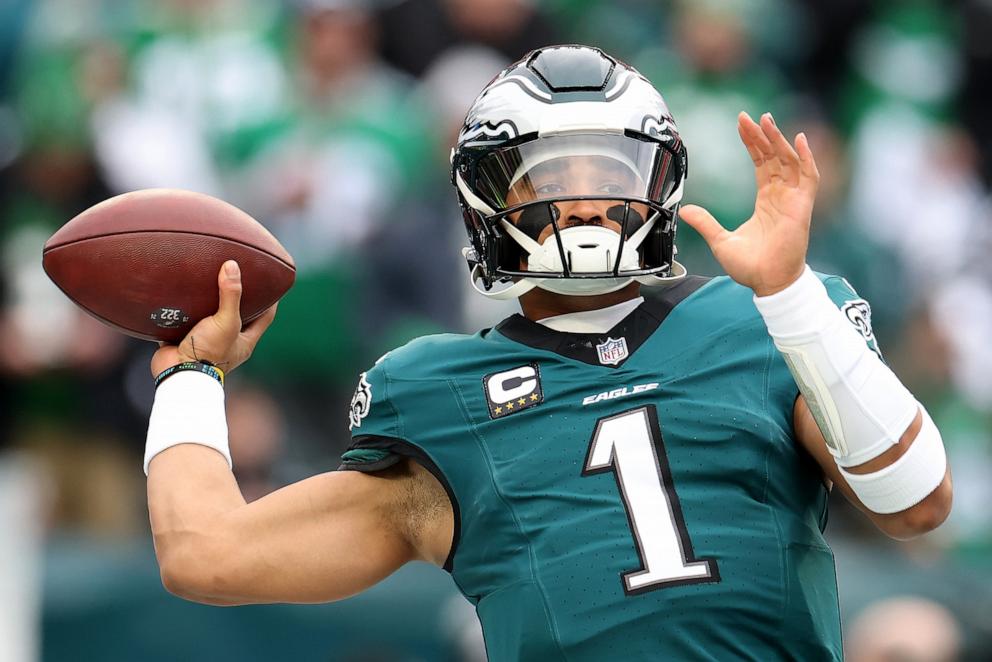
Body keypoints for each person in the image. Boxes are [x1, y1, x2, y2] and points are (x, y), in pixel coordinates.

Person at [144, 45, 952, 661]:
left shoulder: (768, 319)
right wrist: (190, 375)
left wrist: (790, 295)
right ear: (487, 201)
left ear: (658, 184)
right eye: (545, 177)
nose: (585, 202)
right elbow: (207, 555)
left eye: (610, 170)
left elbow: (915, 503)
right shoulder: (435, 392)